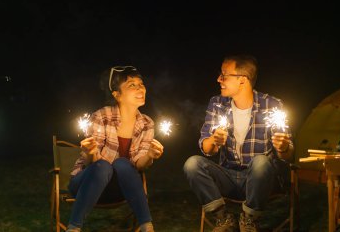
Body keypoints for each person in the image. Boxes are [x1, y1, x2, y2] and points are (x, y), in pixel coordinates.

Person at [183, 55, 293, 232]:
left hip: (260, 179)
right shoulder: (217, 103)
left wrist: (284, 147)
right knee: (192, 164)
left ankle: (249, 220)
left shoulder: (271, 104)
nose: (219, 79)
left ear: (242, 80)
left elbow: (287, 155)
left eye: (224, 75)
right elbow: (206, 149)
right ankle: (223, 218)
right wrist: (214, 140)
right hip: (229, 176)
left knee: (261, 162)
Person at [66, 66, 164, 232]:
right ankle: (74, 228)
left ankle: (147, 227)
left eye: (141, 84)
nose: (140, 87)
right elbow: (94, 165)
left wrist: (150, 155)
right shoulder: (102, 116)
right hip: (86, 183)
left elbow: (139, 165)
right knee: (104, 165)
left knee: (123, 164)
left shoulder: (147, 123)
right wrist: (90, 153)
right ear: (117, 95)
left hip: (120, 189)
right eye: (132, 85)